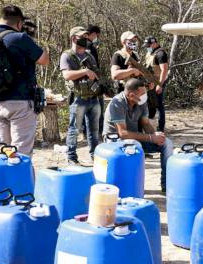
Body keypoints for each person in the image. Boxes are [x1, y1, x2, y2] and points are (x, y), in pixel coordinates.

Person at [0, 5, 49, 156]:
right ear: (19, 23)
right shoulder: (20, 38)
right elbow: (44, 59)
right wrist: (31, 39)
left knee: (3, 150)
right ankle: (21, 180)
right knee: (20, 153)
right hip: (20, 102)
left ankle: (2, 180)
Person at [102, 78, 173, 192]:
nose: (145, 96)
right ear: (131, 95)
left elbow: (145, 123)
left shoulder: (140, 101)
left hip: (134, 139)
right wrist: (150, 138)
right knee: (133, 147)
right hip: (114, 141)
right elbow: (123, 133)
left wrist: (155, 135)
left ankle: (166, 185)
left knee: (167, 143)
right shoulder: (117, 103)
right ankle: (130, 188)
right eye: (142, 93)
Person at [60, 26, 101, 165]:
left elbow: (96, 73)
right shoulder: (67, 55)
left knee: (94, 131)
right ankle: (71, 157)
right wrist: (84, 72)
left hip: (94, 97)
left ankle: (95, 156)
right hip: (78, 98)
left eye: (86, 37)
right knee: (74, 130)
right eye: (82, 37)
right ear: (73, 38)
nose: (85, 39)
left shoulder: (89, 55)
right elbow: (66, 75)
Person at [143, 36, 169, 132]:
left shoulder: (161, 53)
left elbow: (164, 70)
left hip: (158, 83)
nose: (147, 47)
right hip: (149, 83)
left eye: (149, 45)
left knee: (159, 106)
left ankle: (161, 128)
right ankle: (150, 127)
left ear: (154, 43)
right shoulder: (151, 53)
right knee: (150, 105)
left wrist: (160, 84)